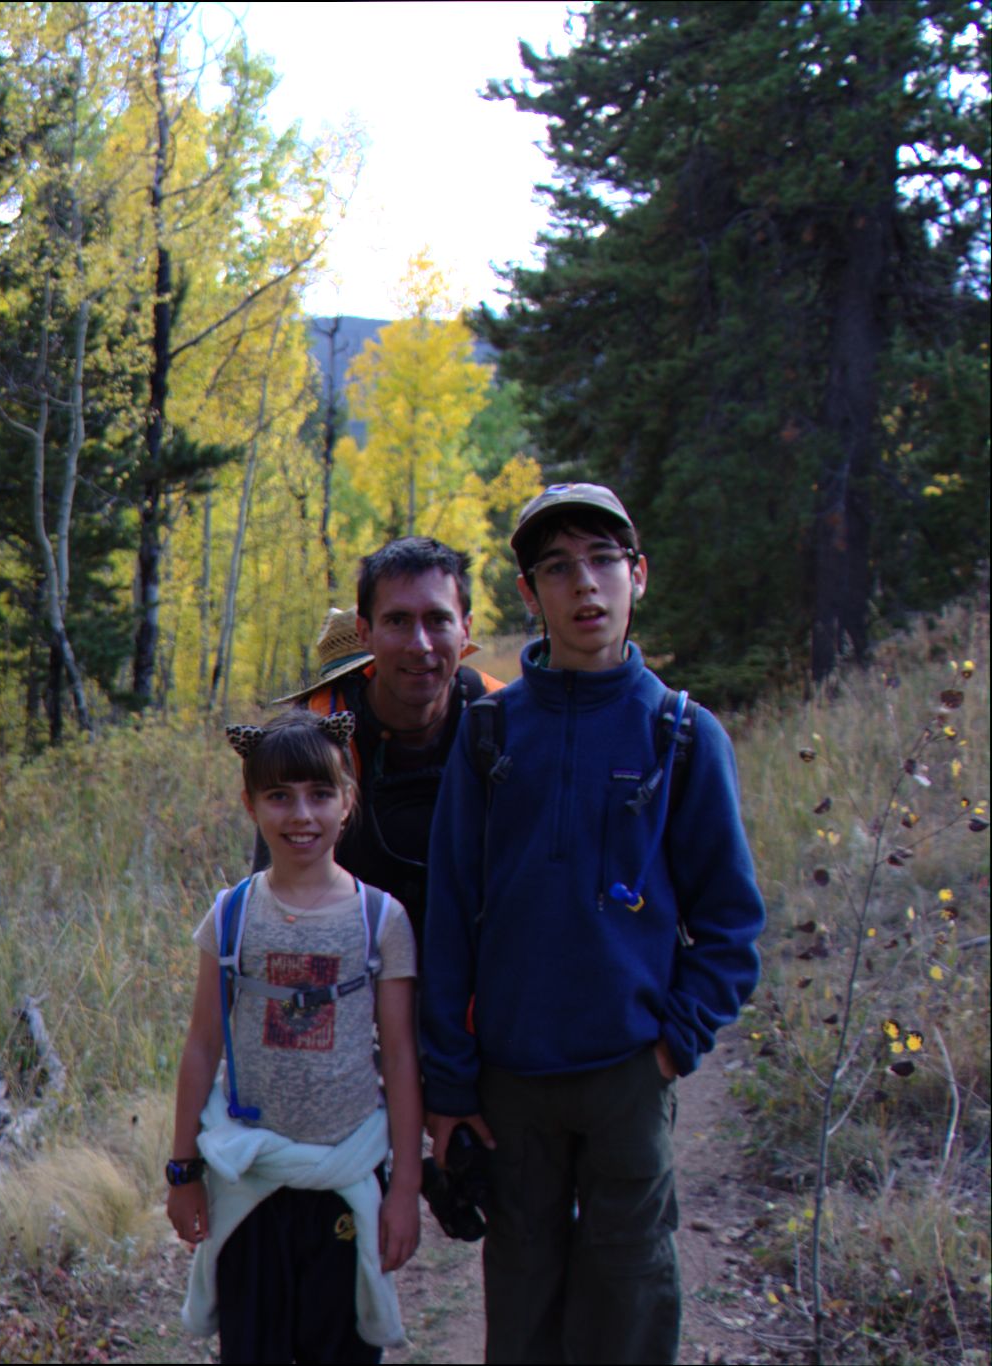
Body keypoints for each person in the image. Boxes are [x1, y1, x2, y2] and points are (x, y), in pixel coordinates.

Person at [420, 483, 766, 1364]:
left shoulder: (681, 734)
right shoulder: (491, 731)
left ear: (637, 576)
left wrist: (672, 1042)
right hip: (512, 1082)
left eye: (603, 562)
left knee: (628, 1293)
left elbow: (729, 921)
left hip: (626, 1073)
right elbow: (451, 910)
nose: (585, 587)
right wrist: (452, 1085)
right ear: (530, 595)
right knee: (523, 1290)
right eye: (557, 568)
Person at [171, 712, 422, 1363]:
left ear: (347, 800)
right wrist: (182, 1171)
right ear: (250, 804)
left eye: (318, 794)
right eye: (278, 796)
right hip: (248, 1179)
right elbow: (202, 1046)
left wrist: (403, 1190)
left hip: (343, 1174)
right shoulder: (230, 916)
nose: (299, 814)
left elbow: (397, 1059)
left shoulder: (380, 921)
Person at [259, 537, 505, 951]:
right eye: (398, 621)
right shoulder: (313, 738)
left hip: (479, 976)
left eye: (438, 620)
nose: (420, 644)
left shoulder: (505, 722)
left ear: (466, 630)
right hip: (345, 969)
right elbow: (272, 899)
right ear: (364, 633)